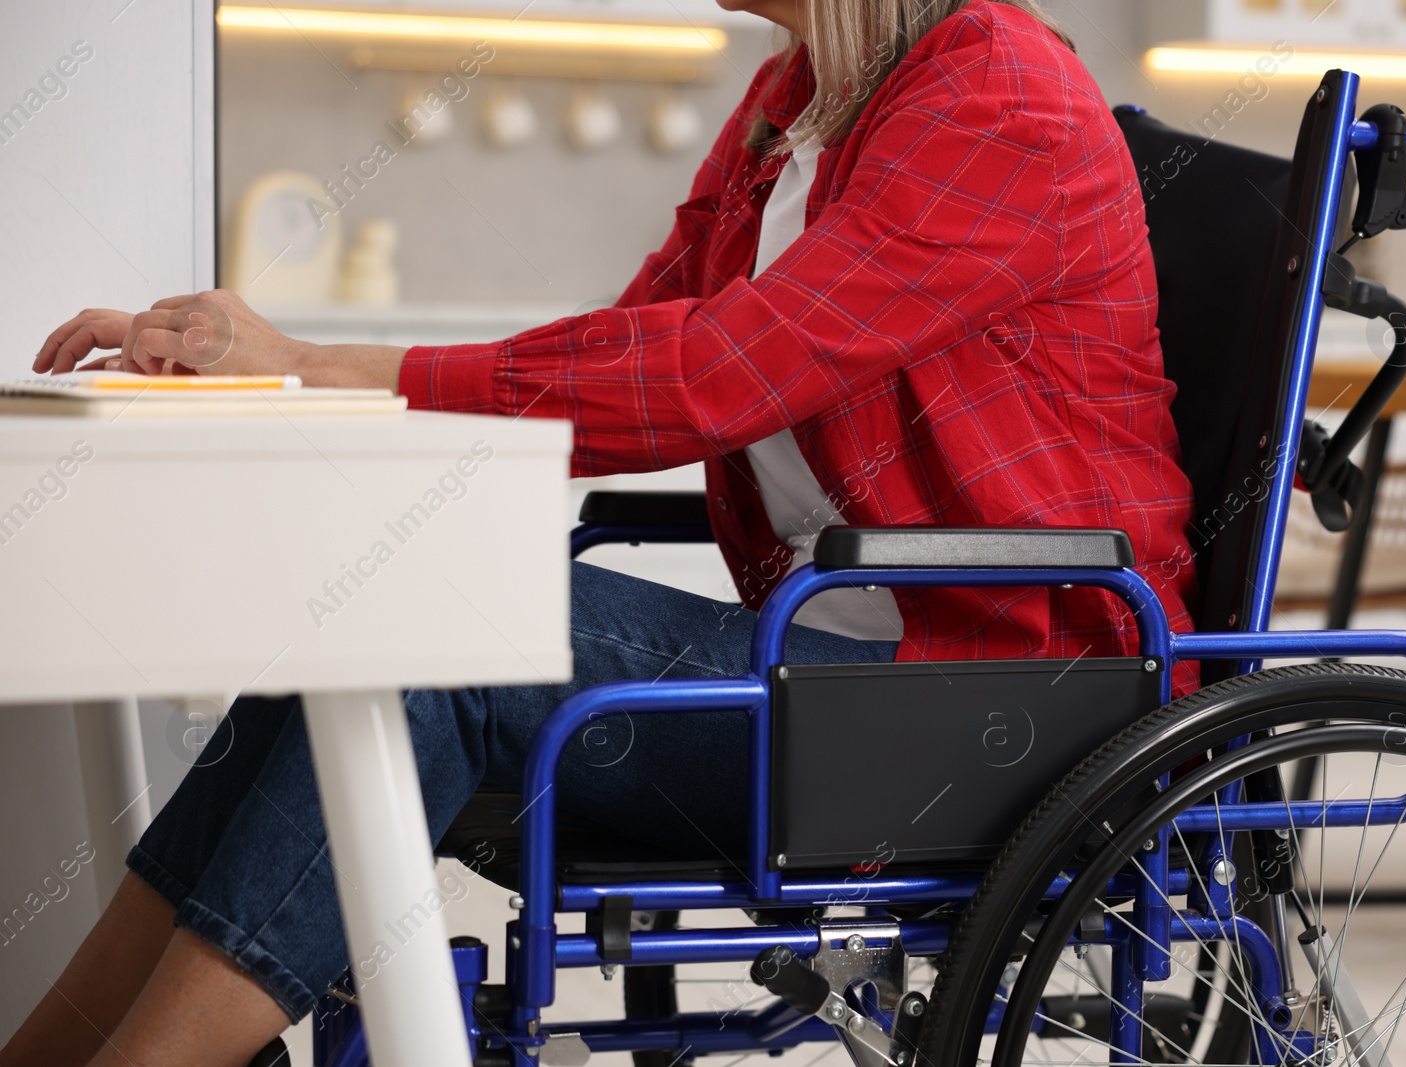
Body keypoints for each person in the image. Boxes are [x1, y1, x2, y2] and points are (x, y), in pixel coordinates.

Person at [2, 0, 1197, 1063]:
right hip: (842, 669)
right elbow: (633, 345)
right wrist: (275, 374)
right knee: (355, 618)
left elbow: (705, 379)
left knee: (425, 630)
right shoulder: (798, 98)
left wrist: (312, 364)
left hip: (1004, 704)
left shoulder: (997, 93)